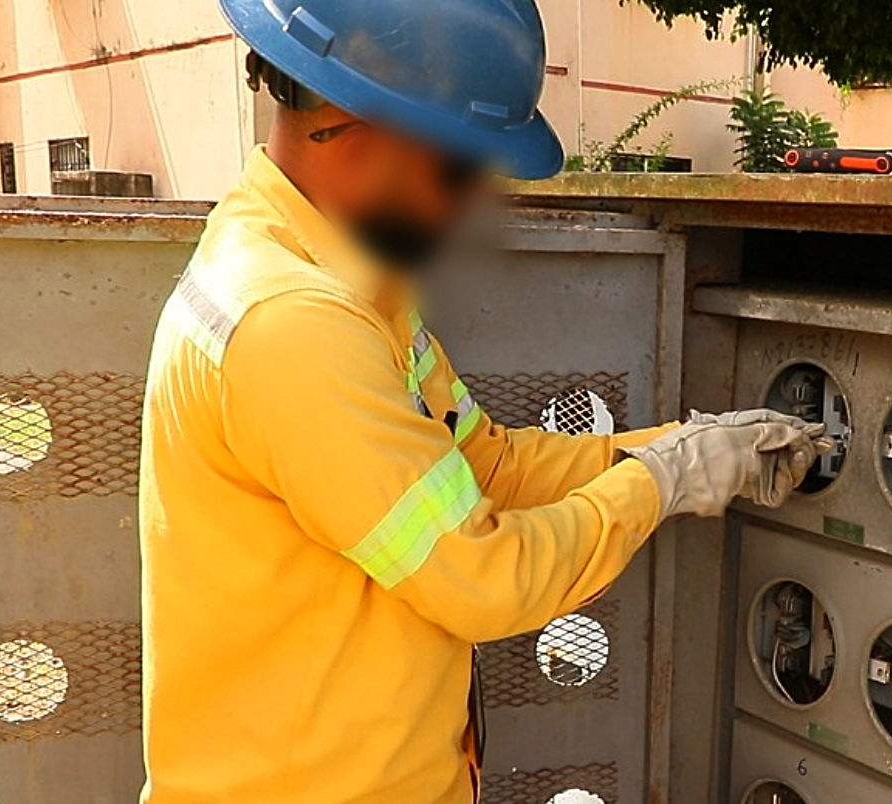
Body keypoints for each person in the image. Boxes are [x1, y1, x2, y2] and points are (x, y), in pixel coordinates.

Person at [136, 1, 826, 802]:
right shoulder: (292, 327)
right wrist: (662, 482)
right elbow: (482, 578)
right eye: (458, 170)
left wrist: (687, 444)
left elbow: (483, 461)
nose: (467, 206)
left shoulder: (346, 285)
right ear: (359, 123)